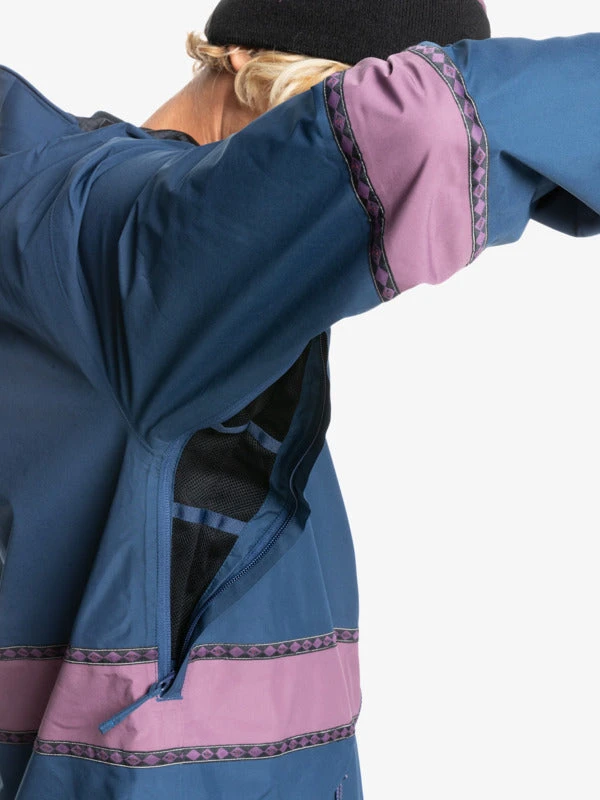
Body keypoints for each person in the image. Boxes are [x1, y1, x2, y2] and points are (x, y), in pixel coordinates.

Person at [0, 0, 598, 796]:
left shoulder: (97, 249)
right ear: (240, 58)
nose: (334, 213)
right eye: (319, 120)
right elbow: (423, 127)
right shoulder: (124, 249)